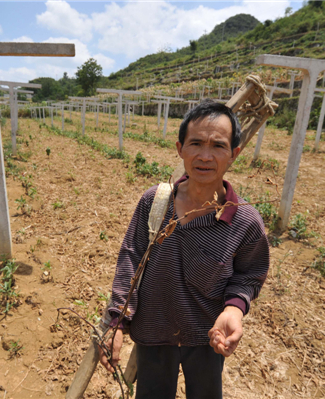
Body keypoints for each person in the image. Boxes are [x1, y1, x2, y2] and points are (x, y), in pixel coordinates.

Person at [99, 99, 270, 399]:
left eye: (218, 146)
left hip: (207, 338)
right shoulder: (155, 203)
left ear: (234, 154)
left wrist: (234, 308)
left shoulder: (244, 221)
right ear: (180, 149)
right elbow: (131, 258)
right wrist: (116, 321)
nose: (205, 156)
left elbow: (249, 274)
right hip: (152, 332)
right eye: (196, 144)